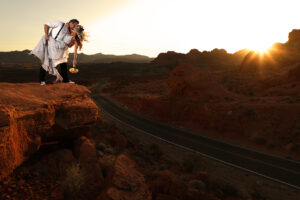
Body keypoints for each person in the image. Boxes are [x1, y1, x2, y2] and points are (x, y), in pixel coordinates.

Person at [29, 19, 85, 85]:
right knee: (47, 62)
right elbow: (46, 25)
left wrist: (73, 39)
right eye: (74, 25)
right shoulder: (59, 23)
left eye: (76, 26)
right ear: (70, 22)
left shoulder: (70, 32)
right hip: (52, 45)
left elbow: (68, 45)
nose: (74, 27)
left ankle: (66, 80)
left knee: (64, 63)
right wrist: (46, 34)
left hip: (61, 49)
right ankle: (42, 81)